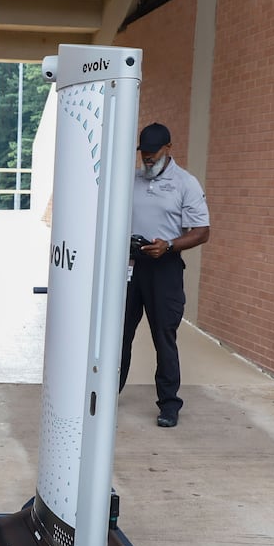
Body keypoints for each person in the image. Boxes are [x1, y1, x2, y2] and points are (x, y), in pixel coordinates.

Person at [120, 122, 210, 428]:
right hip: (130, 266)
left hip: (165, 267)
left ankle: (169, 405)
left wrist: (169, 245)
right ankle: (106, 395)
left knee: (164, 338)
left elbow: (201, 232)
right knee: (118, 334)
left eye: (153, 153)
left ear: (168, 149)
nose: (147, 158)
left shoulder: (186, 183)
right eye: (143, 153)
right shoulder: (130, 180)